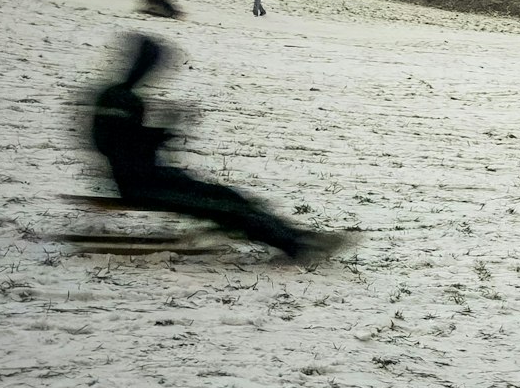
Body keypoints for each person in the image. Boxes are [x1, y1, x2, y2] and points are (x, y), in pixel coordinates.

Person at [89, 34, 337, 261]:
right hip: (141, 185)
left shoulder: (125, 97)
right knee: (226, 209)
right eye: (149, 65)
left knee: (228, 197)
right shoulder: (117, 99)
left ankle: (293, 236)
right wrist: (158, 134)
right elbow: (113, 145)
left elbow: (127, 143)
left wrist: (161, 132)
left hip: (155, 177)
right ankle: (295, 245)